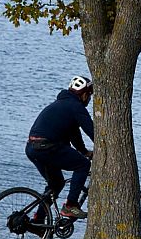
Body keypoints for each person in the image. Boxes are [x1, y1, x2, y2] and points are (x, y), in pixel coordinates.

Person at [25, 75, 95, 219]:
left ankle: (38, 221)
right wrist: (104, 148)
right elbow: (92, 132)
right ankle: (70, 206)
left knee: (56, 185)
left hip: (32, 148)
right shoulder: (76, 107)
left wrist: (84, 151)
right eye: (89, 95)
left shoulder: (61, 104)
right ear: (83, 94)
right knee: (82, 165)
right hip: (47, 147)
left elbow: (74, 134)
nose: (89, 99)